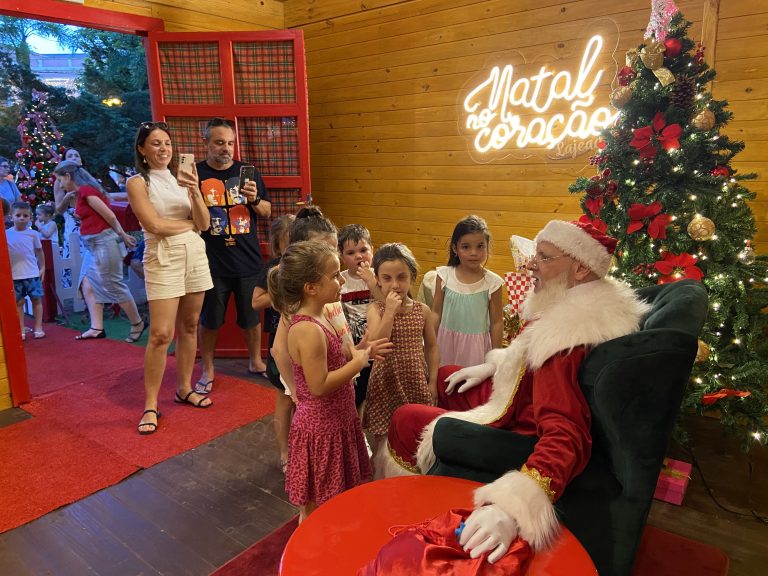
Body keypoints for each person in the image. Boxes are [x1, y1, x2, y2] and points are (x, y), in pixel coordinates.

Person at [378, 220, 652, 563]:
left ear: (581, 268)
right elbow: (527, 358)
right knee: (449, 374)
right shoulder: (576, 306)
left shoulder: (565, 337)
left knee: (406, 418)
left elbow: (566, 434)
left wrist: (513, 506)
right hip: (522, 398)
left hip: (521, 427)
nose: (531, 265)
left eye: (544, 257)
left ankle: (412, 507)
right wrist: (494, 365)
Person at [267, 240, 372, 522]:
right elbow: (319, 385)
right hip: (321, 429)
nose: (342, 280)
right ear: (311, 288)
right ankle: (310, 544)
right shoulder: (307, 329)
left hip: (337, 420)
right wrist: (357, 364)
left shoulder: (322, 316)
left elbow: (332, 358)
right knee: (317, 507)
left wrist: (358, 351)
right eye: (335, 275)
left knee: (337, 498)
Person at [127, 121, 213, 435]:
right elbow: (154, 225)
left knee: (189, 325)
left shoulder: (183, 178)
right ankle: (150, 404)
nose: (163, 149)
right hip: (162, 257)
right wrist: (189, 225)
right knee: (161, 334)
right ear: (142, 149)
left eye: (167, 143)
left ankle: (184, 388)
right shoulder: (138, 182)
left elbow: (204, 223)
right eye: (155, 143)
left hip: (194, 255)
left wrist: (194, 191)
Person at [195, 117, 272, 394]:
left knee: (251, 318)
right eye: (219, 142)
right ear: (206, 142)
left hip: (247, 259)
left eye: (230, 143)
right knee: (210, 319)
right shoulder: (195, 174)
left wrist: (254, 199)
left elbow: (266, 212)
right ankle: (207, 368)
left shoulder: (247, 172)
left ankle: (255, 361)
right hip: (210, 261)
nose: (226, 148)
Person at [53, 160, 145, 343]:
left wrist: (123, 235)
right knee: (88, 284)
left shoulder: (87, 191)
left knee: (114, 285)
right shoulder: (81, 193)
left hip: (104, 242)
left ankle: (137, 323)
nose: (60, 184)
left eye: (60, 179)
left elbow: (109, 215)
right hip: (94, 244)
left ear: (68, 176)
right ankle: (97, 327)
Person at [364, 243, 440, 454]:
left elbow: (432, 348)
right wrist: (389, 312)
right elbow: (378, 344)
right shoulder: (375, 309)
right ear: (377, 280)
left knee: (418, 433)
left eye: (401, 277)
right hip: (386, 382)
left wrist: (433, 381)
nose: (395, 285)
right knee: (384, 440)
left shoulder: (422, 310)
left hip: (415, 381)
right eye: (387, 278)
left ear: (412, 277)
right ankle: (383, 470)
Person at [251, 213, 295, 471]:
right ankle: (285, 452)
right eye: (288, 244)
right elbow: (256, 301)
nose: (293, 249)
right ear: (278, 245)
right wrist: (278, 294)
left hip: (303, 342)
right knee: (284, 398)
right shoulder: (272, 269)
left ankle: (302, 447)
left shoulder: (306, 266)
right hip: (280, 345)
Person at [433, 215, 503, 367]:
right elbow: (436, 313)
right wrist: (430, 345)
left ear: (487, 246)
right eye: (466, 247)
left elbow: (497, 322)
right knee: (445, 378)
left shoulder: (493, 283)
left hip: (475, 350)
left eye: (480, 246)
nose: (473, 253)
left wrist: (495, 359)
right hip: (446, 345)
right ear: (455, 248)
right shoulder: (444, 276)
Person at [337, 224, 382, 409]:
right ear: (342, 257)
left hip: (378, 346)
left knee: (377, 397)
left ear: (372, 250)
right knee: (356, 396)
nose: (359, 256)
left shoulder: (381, 277)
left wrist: (372, 282)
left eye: (363, 250)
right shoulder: (340, 280)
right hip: (354, 348)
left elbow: (387, 304)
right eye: (351, 253)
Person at [6, 201, 45, 340]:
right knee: (19, 302)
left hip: (32, 273)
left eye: (25, 215)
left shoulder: (33, 234)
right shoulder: (6, 234)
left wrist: (42, 267)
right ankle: (21, 328)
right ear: (11, 217)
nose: (21, 218)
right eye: (18, 215)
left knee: (36, 300)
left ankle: (38, 327)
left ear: (30, 218)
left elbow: (39, 251)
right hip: (15, 275)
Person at [53, 148, 84, 287]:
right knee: (74, 255)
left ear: (81, 161)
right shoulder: (59, 181)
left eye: (76, 155)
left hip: (91, 221)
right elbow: (58, 210)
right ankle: (77, 290)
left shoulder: (87, 178)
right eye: (70, 155)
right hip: (73, 223)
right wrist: (67, 197)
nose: (74, 157)